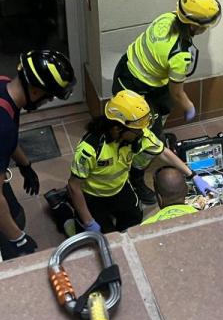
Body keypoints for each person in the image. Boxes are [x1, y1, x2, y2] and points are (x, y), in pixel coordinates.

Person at [112, 0, 222, 203]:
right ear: (194, 25)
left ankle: (150, 135)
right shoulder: (179, 54)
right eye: (205, 25)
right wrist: (189, 106)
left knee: (156, 120)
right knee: (147, 138)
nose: (206, 28)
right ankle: (135, 176)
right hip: (139, 90)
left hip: (129, 70)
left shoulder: (167, 17)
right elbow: (177, 93)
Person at [0, 49, 75, 259]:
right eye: (49, 95)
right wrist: (18, 239)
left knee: (15, 213)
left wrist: (25, 165)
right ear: (34, 90)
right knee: (12, 221)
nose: (49, 100)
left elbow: (9, 137)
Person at [68, 90, 212, 233]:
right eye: (138, 131)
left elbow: (163, 153)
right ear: (118, 128)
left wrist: (193, 176)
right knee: (101, 237)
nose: (142, 133)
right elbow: (74, 186)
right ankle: (64, 211)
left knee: (134, 221)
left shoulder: (136, 135)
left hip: (120, 188)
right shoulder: (90, 149)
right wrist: (88, 221)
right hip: (93, 196)